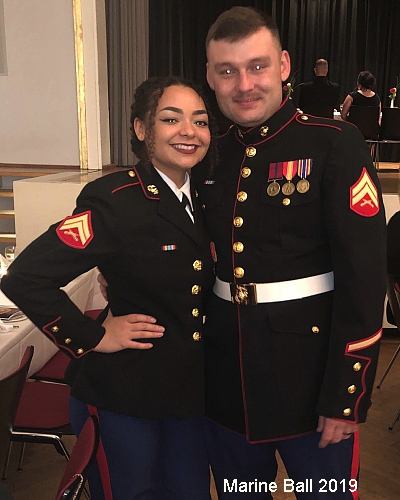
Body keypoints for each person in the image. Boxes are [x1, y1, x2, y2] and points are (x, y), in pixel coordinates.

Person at [191, 6, 386, 499]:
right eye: (227, 71)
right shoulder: (210, 154)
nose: (244, 85)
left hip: (311, 387)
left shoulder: (335, 144)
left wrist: (346, 394)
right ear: (210, 77)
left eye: (257, 66)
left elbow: (364, 279)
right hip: (227, 382)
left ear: (283, 66)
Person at [1, 75, 218, 500]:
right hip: (125, 395)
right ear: (141, 128)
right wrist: (94, 336)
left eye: (200, 121)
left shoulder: (208, 196)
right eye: (171, 119)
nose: (189, 131)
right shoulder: (116, 200)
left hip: (188, 394)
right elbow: (26, 278)